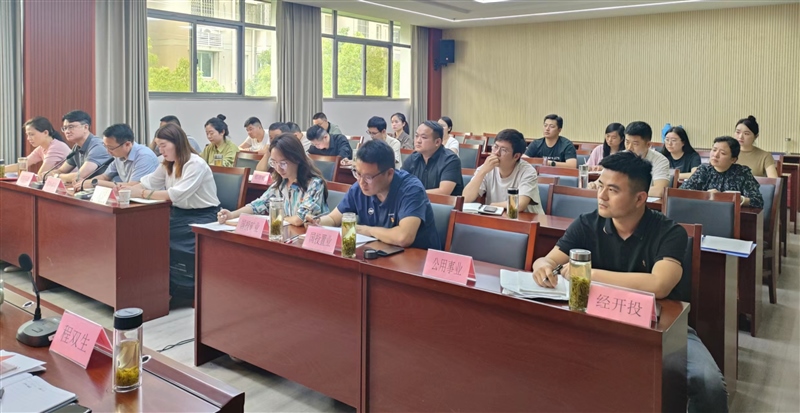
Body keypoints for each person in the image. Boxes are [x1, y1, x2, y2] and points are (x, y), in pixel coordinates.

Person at [531, 151, 728, 413]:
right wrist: (541, 266)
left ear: (640, 198)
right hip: (596, 321)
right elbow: (548, 259)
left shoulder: (669, 232)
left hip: (660, 327)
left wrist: (588, 274)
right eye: (600, 185)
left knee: (708, 383)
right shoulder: (587, 224)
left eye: (612, 190)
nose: (601, 195)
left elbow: (660, 285)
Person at [128, 123, 220, 298]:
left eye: (163, 145)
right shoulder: (168, 164)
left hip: (203, 216)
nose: (160, 150)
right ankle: (154, 287)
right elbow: (148, 182)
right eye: (158, 146)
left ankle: (179, 290)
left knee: (162, 239)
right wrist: (128, 191)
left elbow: (175, 195)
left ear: (177, 143)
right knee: (145, 234)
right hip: (178, 214)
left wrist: (141, 193)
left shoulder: (195, 163)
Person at [309, 140, 441, 250]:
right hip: (378, 254)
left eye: (368, 177)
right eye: (358, 173)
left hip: (415, 261)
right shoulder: (358, 188)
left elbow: (404, 237)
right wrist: (317, 222)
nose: (361, 182)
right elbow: (333, 219)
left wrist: (367, 230)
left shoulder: (411, 189)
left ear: (389, 173)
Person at [218, 134, 329, 227]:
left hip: (309, 238)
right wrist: (232, 215)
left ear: (297, 159)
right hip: (287, 235)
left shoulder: (314, 184)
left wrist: (278, 217)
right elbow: (257, 205)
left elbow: (298, 219)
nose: (278, 168)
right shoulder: (280, 184)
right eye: (274, 162)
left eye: (283, 163)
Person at [462, 129, 544, 214]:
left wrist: (493, 205)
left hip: (527, 219)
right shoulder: (486, 168)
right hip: (499, 217)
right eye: (495, 147)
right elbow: (466, 198)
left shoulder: (528, 171)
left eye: (503, 150)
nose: (496, 153)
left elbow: (520, 204)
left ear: (516, 156)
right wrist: (482, 172)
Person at [680, 136, 763, 208]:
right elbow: (681, 192)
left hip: (733, 217)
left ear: (733, 159)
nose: (715, 155)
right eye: (714, 150)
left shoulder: (742, 173)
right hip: (703, 212)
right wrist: (705, 195)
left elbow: (758, 201)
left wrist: (736, 198)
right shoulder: (703, 170)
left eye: (722, 153)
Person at [599, 121, 669, 198]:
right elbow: (600, 182)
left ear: (648, 145)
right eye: (627, 142)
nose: (629, 148)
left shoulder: (660, 160)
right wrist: (593, 184)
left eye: (635, 144)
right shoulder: (619, 157)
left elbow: (659, 191)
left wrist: (625, 192)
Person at [80, 124, 159, 190]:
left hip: (151, 200)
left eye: (111, 148)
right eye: (105, 147)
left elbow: (132, 186)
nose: (108, 151)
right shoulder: (119, 155)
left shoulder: (144, 156)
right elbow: (105, 177)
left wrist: (96, 183)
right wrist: (85, 183)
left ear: (127, 144)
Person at [401, 121, 464, 196]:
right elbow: (400, 182)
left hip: (441, 203)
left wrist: (413, 193)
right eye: (416, 136)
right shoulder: (413, 158)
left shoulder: (451, 160)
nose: (418, 141)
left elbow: (443, 192)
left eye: (424, 137)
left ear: (437, 142)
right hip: (415, 201)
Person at [54, 110, 112, 184]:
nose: (67, 131)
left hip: (105, 188)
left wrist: (56, 176)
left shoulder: (98, 146)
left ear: (85, 127)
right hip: (86, 187)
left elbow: (80, 176)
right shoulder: (76, 147)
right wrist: (49, 174)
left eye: (71, 127)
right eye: (65, 128)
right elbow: (61, 170)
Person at [3, 117, 70, 179]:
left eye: (31, 134)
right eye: (27, 135)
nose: (28, 138)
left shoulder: (56, 147)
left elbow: (41, 175)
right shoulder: (41, 148)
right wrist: (2, 169)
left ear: (45, 133)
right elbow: (23, 164)